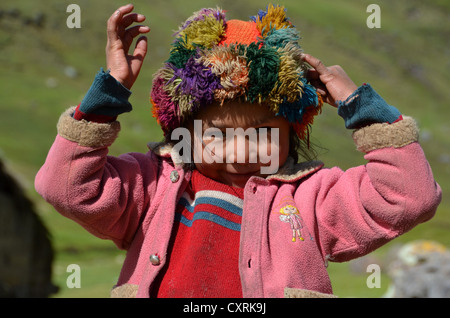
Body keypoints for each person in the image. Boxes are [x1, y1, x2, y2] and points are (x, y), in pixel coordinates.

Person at [35, 4, 441, 298]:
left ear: (291, 132)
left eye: (263, 130)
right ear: (185, 132)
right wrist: (106, 99)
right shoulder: (153, 187)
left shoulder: (311, 199)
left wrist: (362, 109)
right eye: (216, 133)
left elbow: (409, 198)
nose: (240, 147)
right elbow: (66, 188)